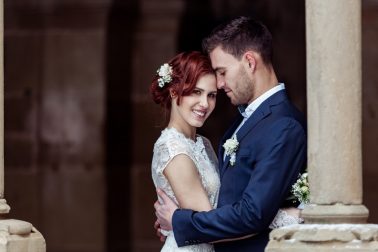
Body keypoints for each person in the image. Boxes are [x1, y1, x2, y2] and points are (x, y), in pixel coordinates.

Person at [154, 16, 307, 252]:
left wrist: (179, 221)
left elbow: (253, 214)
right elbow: (231, 201)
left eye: (222, 72)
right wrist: (177, 222)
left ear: (249, 62)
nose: (220, 83)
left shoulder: (284, 126)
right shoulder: (240, 123)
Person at [150, 51, 220, 251]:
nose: (205, 104)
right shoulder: (173, 149)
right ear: (174, 92)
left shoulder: (202, 143)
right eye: (196, 92)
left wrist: (175, 220)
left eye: (211, 95)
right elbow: (209, 225)